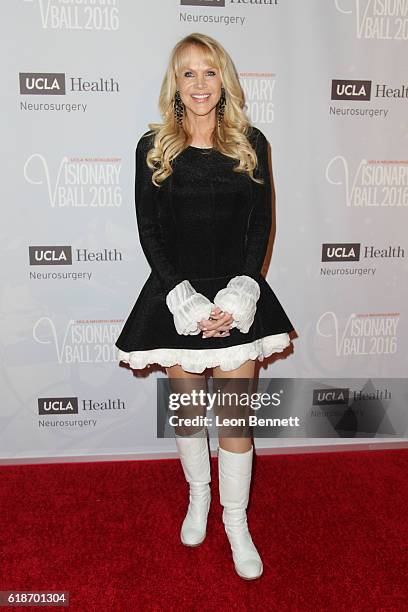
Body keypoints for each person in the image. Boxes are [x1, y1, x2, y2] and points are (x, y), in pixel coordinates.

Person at [115, 32, 295, 580]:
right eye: (187, 73)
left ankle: (235, 521)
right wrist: (186, 300)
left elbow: (260, 225)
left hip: (238, 296)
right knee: (190, 415)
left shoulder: (251, 142)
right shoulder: (153, 148)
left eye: (209, 71)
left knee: (235, 419)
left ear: (225, 80)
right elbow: (151, 233)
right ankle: (198, 498)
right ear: (176, 83)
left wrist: (241, 292)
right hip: (176, 299)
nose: (199, 83)